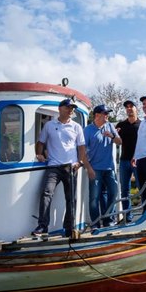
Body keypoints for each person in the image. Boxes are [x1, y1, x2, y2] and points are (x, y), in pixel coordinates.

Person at [33, 98, 94, 237]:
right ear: (60, 109)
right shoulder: (49, 125)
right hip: (53, 166)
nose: (71, 110)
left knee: (71, 198)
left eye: (72, 108)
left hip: (70, 167)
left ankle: (69, 228)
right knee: (46, 194)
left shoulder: (76, 127)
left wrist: (79, 162)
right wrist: (39, 153)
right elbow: (41, 142)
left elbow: (82, 147)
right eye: (68, 107)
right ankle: (43, 226)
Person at [84, 104, 122, 227]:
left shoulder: (110, 126)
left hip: (109, 168)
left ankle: (108, 220)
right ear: (97, 115)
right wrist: (88, 168)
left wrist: (112, 136)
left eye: (107, 114)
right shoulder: (88, 130)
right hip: (95, 169)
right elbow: (82, 151)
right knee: (94, 198)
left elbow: (120, 142)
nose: (107, 116)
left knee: (113, 193)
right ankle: (95, 224)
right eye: (105, 113)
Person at [115, 99, 140, 221]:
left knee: (142, 187)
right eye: (127, 107)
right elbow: (115, 140)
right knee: (124, 190)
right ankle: (127, 216)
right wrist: (114, 135)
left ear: (136, 109)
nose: (129, 109)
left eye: (131, 106)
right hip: (124, 160)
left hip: (138, 160)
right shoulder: (121, 125)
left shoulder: (142, 124)